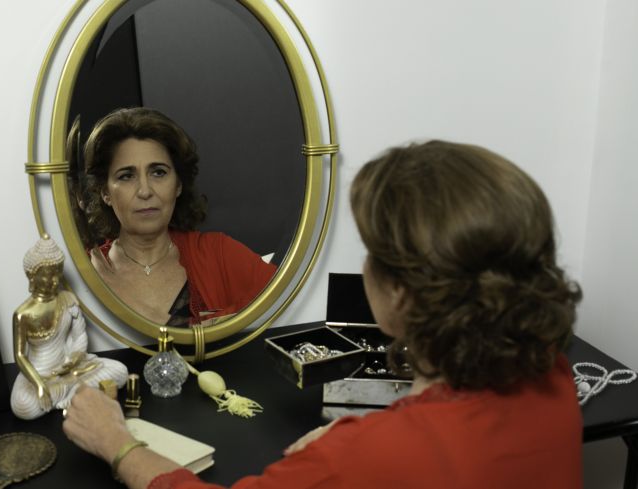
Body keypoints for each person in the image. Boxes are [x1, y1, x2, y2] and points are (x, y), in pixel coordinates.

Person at [61, 140, 584, 488]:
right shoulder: (555, 380)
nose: (145, 189)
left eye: (372, 251)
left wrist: (117, 444)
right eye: (127, 176)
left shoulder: (371, 459)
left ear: (399, 293)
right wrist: (364, 430)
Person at [82, 107, 276, 326]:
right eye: (126, 176)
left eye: (159, 173)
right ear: (105, 192)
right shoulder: (86, 272)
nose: (145, 191)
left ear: (178, 184)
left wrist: (132, 303)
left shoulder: (218, 253)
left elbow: (292, 305)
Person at [10, 235, 128, 420]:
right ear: (33, 275)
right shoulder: (23, 314)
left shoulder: (67, 300)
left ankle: (72, 395)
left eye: (58, 274)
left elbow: (79, 336)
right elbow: (19, 356)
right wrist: (40, 386)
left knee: (120, 371)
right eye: (49, 276)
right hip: (41, 376)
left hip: (71, 370)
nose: (55, 281)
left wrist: (73, 359)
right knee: (23, 406)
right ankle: (77, 396)